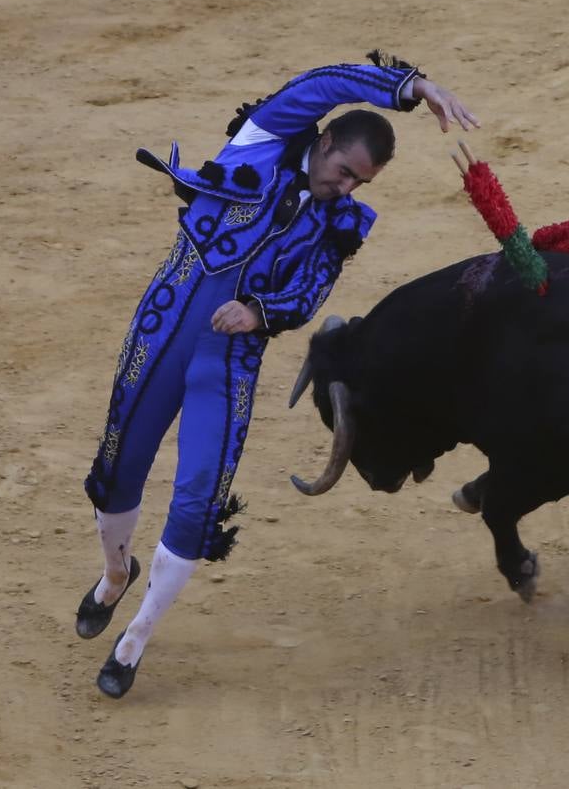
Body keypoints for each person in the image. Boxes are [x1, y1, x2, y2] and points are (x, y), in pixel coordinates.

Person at [75, 52, 479, 698]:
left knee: (199, 495)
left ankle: (135, 641)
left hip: (229, 357)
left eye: (360, 185)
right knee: (121, 466)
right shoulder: (260, 141)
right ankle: (113, 575)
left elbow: (312, 290)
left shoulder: (338, 224)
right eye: (344, 171)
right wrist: (412, 86)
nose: (345, 190)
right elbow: (322, 84)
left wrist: (260, 310)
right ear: (322, 144)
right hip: (164, 325)